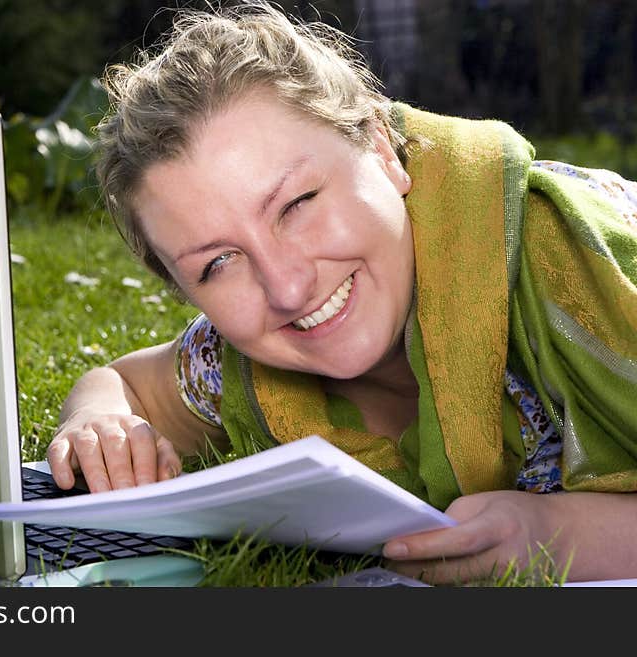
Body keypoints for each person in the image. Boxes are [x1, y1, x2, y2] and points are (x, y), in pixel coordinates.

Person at [47, 2, 637, 584]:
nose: (287, 286)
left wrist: (568, 535)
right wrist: (99, 423)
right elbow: (123, 386)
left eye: (298, 204)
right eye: (219, 263)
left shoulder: (587, 257)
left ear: (383, 150)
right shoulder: (241, 365)